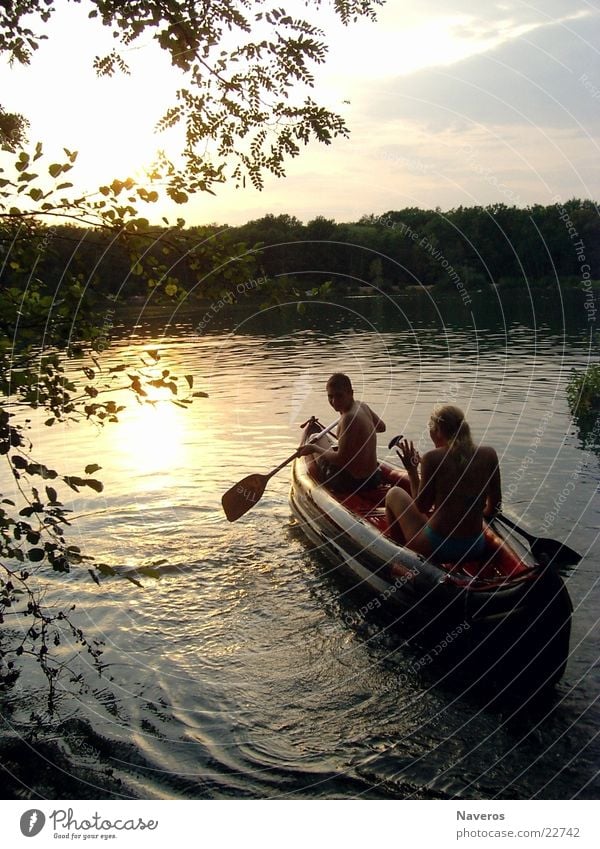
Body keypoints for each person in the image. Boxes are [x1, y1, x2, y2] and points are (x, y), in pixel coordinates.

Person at [385, 404, 501, 561]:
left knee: (394, 493)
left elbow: (422, 507)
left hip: (438, 547)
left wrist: (412, 472)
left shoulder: (432, 458)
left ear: (437, 431)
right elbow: (495, 506)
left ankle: (398, 558)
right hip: (475, 545)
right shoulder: (489, 454)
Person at [298, 373, 386, 491]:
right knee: (317, 437)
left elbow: (340, 460)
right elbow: (381, 427)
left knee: (314, 439)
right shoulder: (362, 406)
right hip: (374, 477)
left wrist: (314, 448)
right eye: (330, 396)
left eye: (339, 396)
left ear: (350, 393)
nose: (334, 401)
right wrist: (359, 436)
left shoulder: (349, 418)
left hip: (353, 482)